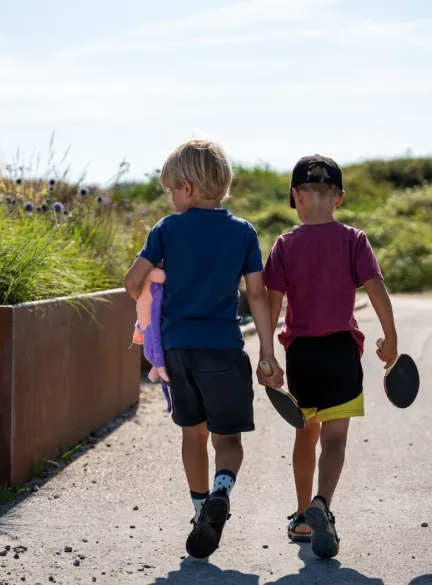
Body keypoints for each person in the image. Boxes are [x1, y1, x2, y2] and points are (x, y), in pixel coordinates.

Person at [124, 139, 284, 560]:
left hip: (178, 352)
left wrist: (158, 276)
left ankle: (200, 513)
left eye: (172, 191)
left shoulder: (166, 230)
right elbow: (257, 295)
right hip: (224, 350)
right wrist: (267, 353)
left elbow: (132, 283)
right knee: (227, 440)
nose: (171, 200)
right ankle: (222, 490)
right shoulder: (244, 232)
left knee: (192, 435)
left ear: (188, 187)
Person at [263, 154, 398, 559]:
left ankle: (303, 516)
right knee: (335, 438)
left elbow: (270, 305)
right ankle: (323, 503)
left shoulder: (285, 245)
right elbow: (376, 288)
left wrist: (267, 356)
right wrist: (391, 338)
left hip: (302, 354)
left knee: (306, 434)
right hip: (341, 351)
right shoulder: (354, 240)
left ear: (295, 197)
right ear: (338, 197)